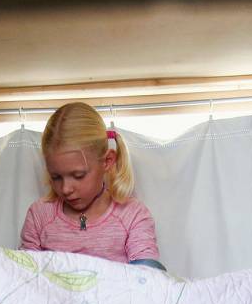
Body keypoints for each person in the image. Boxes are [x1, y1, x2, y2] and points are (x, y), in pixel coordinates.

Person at [19, 101, 165, 269]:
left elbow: (148, 280)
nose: (66, 189)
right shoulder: (39, 216)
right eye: (56, 177)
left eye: (78, 176)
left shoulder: (132, 215)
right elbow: (24, 279)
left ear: (108, 161)